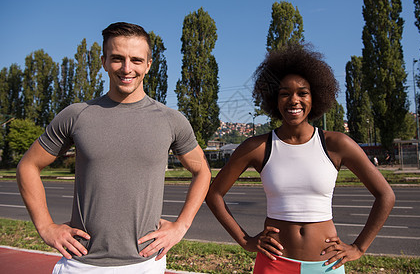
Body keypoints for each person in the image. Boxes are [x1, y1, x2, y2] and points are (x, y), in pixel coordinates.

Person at [16, 22, 211, 273]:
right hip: (80, 263)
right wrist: (46, 227)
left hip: (145, 263)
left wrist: (181, 226)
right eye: (117, 58)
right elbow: (28, 166)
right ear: (104, 62)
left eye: (136, 60)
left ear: (149, 65)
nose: (127, 68)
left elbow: (203, 171)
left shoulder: (171, 120)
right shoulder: (76, 115)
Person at [206, 44, 395, 273]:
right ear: (274, 100)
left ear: (315, 98)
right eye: (285, 93)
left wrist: (359, 247)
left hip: (326, 265)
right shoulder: (258, 147)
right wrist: (245, 241)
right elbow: (213, 194)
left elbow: (385, 195)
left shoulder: (336, 144)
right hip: (274, 264)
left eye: (302, 93)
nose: (293, 100)